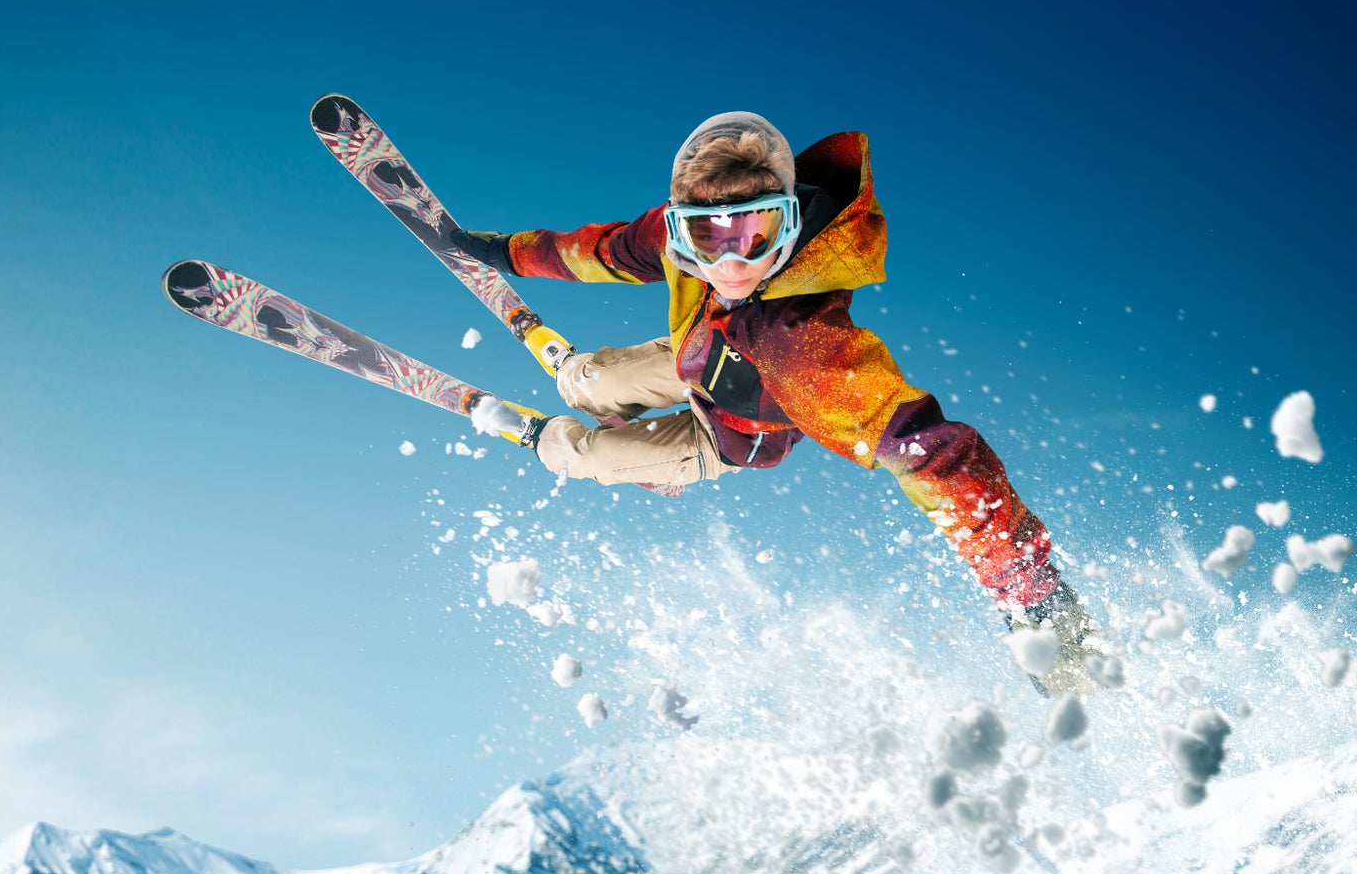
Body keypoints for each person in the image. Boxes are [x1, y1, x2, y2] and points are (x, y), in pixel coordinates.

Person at [448, 112, 1105, 696]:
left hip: (729, 436)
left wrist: (1030, 589)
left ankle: (550, 439)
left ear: (791, 222)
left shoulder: (804, 345)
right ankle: (575, 377)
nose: (734, 261)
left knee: (585, 454)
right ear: (681, 232)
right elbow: (600, 252)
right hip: (697, 355)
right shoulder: (675, 244)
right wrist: (506, 252)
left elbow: (933, 455)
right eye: (711, 238)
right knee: (588, 385)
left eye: (757, 231)